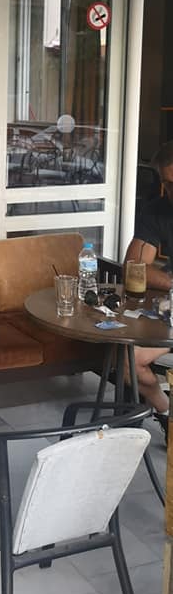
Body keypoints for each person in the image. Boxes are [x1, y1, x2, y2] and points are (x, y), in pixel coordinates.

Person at [124, 140, 173, 439]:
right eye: (167, 183)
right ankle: (167, 414)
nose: (171, 191)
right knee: (128, 361)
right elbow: (134, 267)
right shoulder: (158, 209)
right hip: (170, 312)